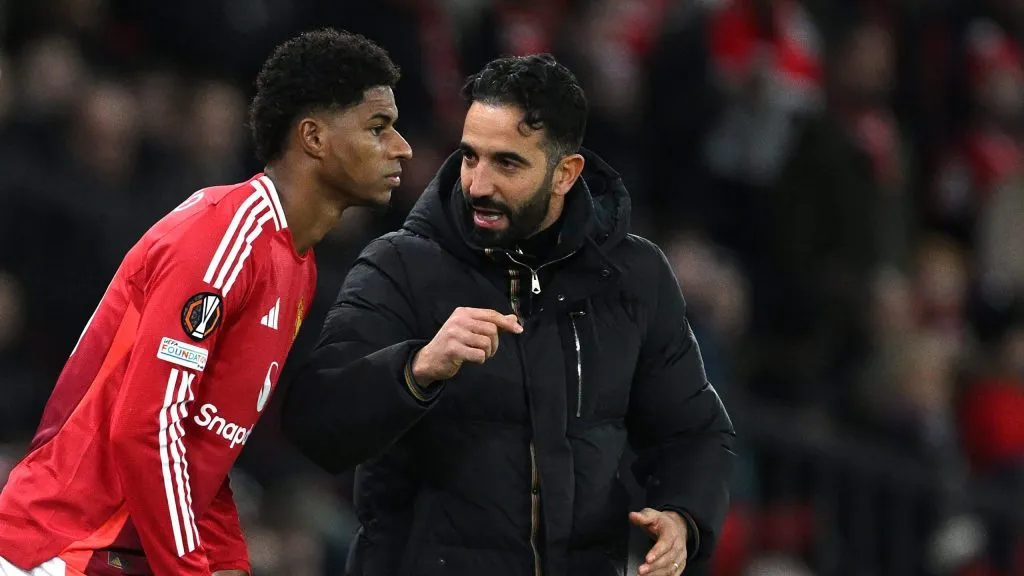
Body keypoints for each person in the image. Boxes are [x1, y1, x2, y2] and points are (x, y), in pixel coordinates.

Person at [282, 54, 735, 576]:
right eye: (471, 156)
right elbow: (315, 421)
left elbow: (694, 431)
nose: (478, 184)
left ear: (566, 173)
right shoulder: (399, 266)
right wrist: (416, 369)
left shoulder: (633, 276)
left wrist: (683, 516)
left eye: (507, 163)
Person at [0, 28, 412, 576]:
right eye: (378, 128)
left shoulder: (298, 267)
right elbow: (148, 429)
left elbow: (203, 451)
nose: (401, 146)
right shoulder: (224, 237)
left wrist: (229, 561)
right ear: (313, 137)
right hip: (60, 547)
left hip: (126, 555)